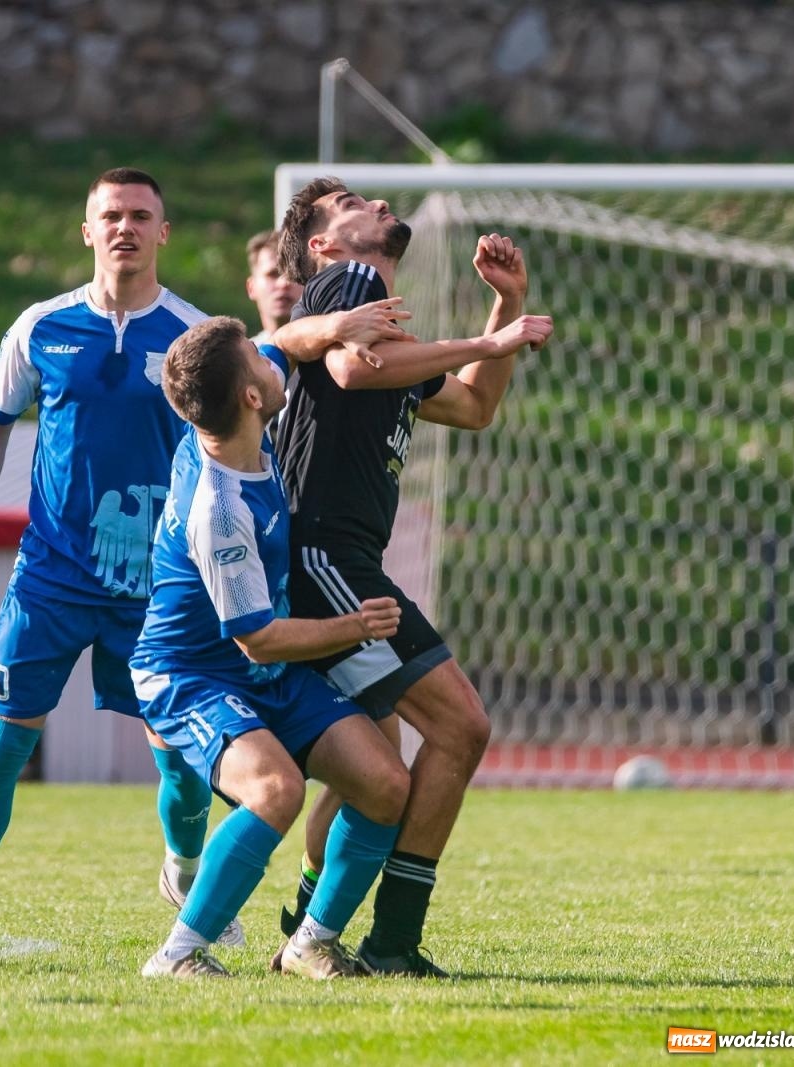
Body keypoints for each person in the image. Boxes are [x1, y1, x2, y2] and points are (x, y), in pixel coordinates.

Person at [0, 170, 417, 950]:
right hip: (53, 573)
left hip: (155, 586)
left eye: (140, 215)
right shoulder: (41, 327)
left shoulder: (197, 339)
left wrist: (336, 328)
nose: (125, 227)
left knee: (184, 767)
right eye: (111, 215)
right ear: (88, 231)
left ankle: (187, 876)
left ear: (163, 232)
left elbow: (277, 351)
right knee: (6, 739)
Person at [267, 177, 553, 977]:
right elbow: (352, 370)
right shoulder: (350, 282)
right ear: (324, 245)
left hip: (336, 558)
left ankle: (310, 924)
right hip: (323, 555)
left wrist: (503, 305)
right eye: (352, 204)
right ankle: (388, 939)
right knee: (459, 725)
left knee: (376, 762)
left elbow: (472, 409)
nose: (377, 204)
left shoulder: (388, 330)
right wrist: (488, 342)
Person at [132, 315, 411, 979]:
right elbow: (258, 639)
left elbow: (283, 341)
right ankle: (176, 954)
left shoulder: (228, 425)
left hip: (262, 672)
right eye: (255, 362)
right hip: (190, 675)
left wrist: (340, 324)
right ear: (252, 397)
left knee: (385, 783)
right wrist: (357, 626)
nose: (268, 358)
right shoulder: (220, 509)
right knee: (275, 789)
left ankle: (310, 942)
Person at [244, 230, 299, 344]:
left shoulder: (333, 348)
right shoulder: (239, 356)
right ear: (251, 288)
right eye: (273, 274)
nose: (283, 283)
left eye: (293, 274)